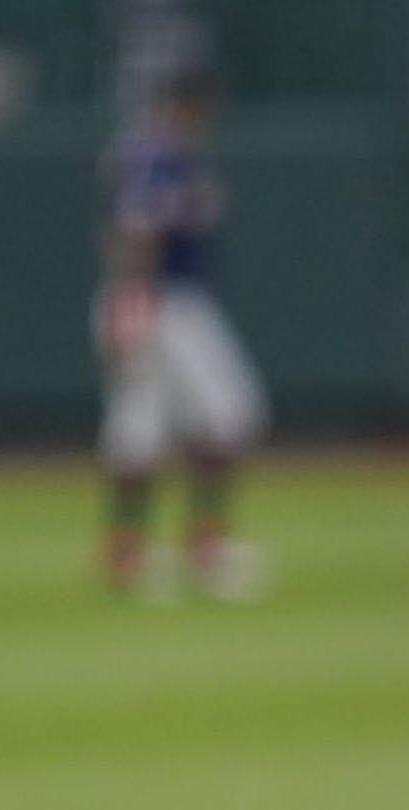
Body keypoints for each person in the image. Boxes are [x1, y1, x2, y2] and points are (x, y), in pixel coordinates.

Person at [93, 65, 267, 597]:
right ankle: (202, 549)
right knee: (227, 414)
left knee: (139, 430)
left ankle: (126, 554)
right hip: (164, 304)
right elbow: (133, 231)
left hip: (156, 302)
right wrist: (130, 303)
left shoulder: (145, 150)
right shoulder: (159, 155)